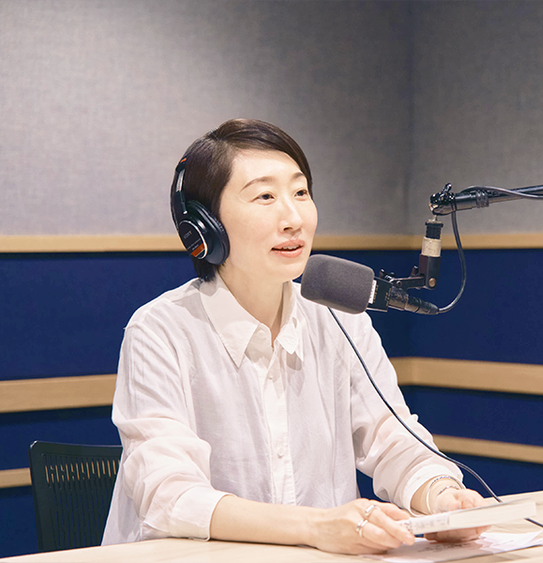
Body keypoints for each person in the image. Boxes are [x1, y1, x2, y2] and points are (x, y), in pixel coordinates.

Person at [102, 118, 487, 554]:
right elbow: (171, 497)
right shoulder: (160, 331)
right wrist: (315, 527)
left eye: (301, 193)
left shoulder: (340, 319)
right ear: (204, 227)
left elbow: (392, 439)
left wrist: (442, 497)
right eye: (265, 197)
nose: (294, 219)